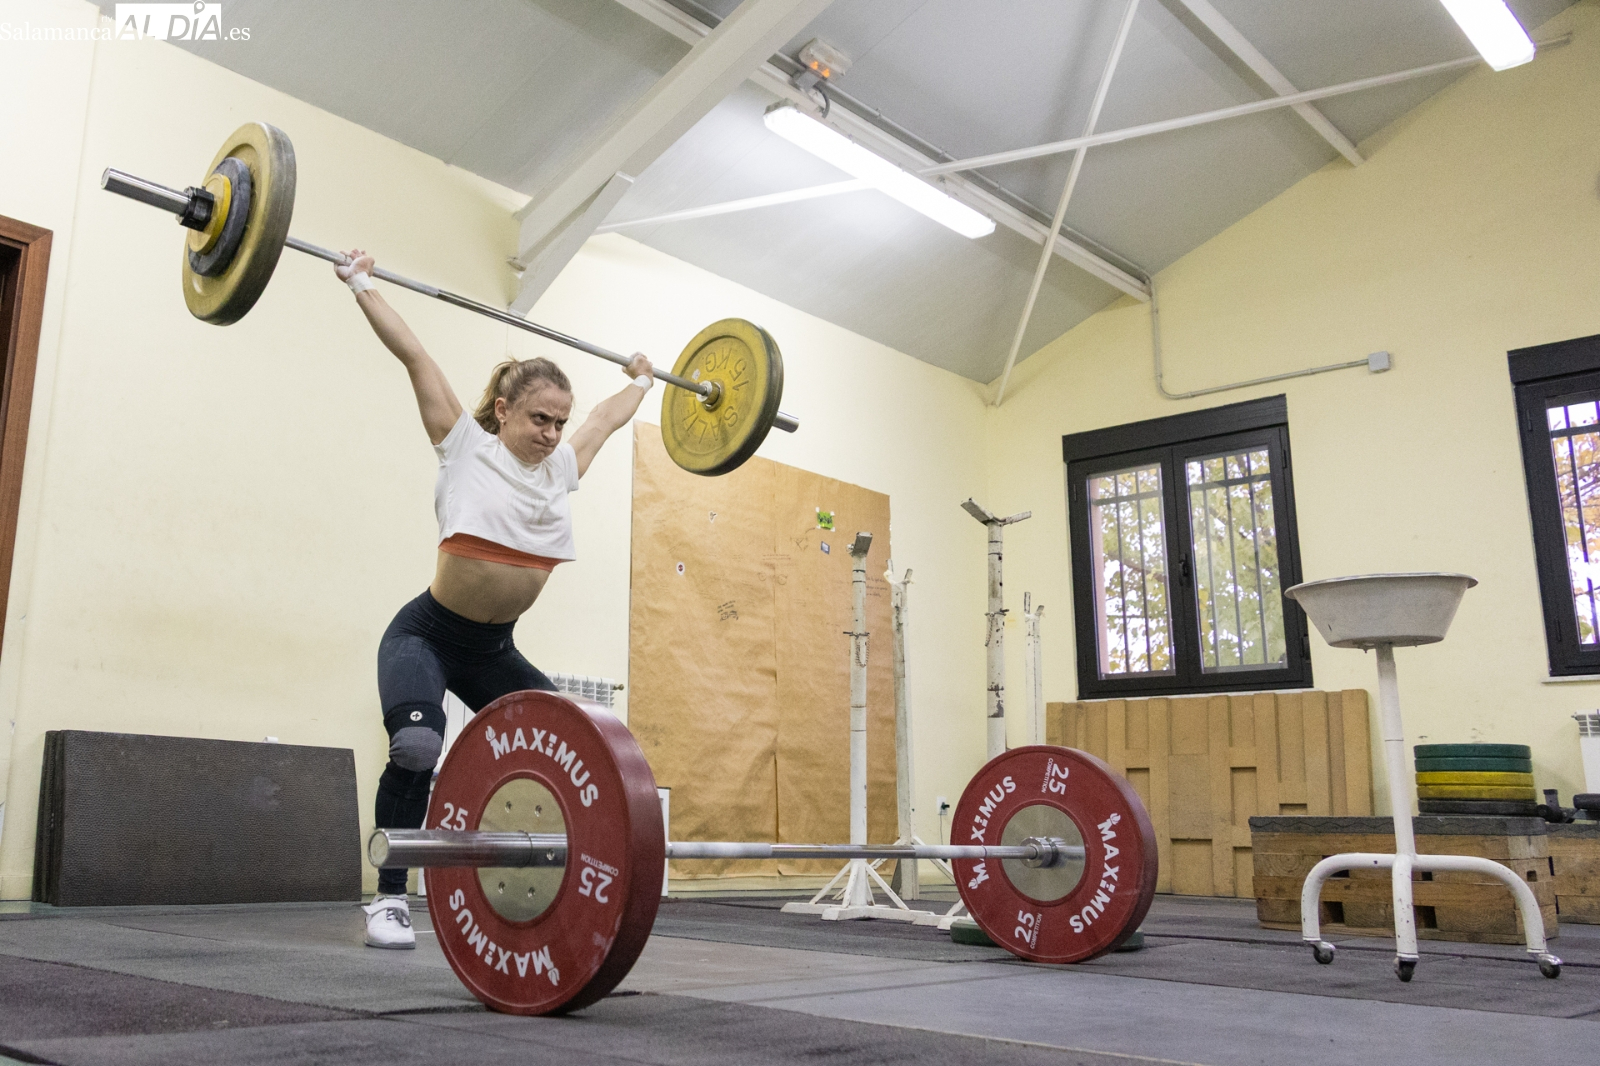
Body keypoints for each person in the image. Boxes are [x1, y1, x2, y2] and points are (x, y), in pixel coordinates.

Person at [333, 250, 654, 949]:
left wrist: (643, 382)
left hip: (493, 653)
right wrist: (362, 285)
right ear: (505, 410)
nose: (551, 433)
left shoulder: (562, 468)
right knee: (418, 746)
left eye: (557, 423)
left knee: (579, 745)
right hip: (426, 635)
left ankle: (564, 891)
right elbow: (415, 355)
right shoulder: (465, 448)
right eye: (539, 418)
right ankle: (389, 900)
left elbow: (606, 418)